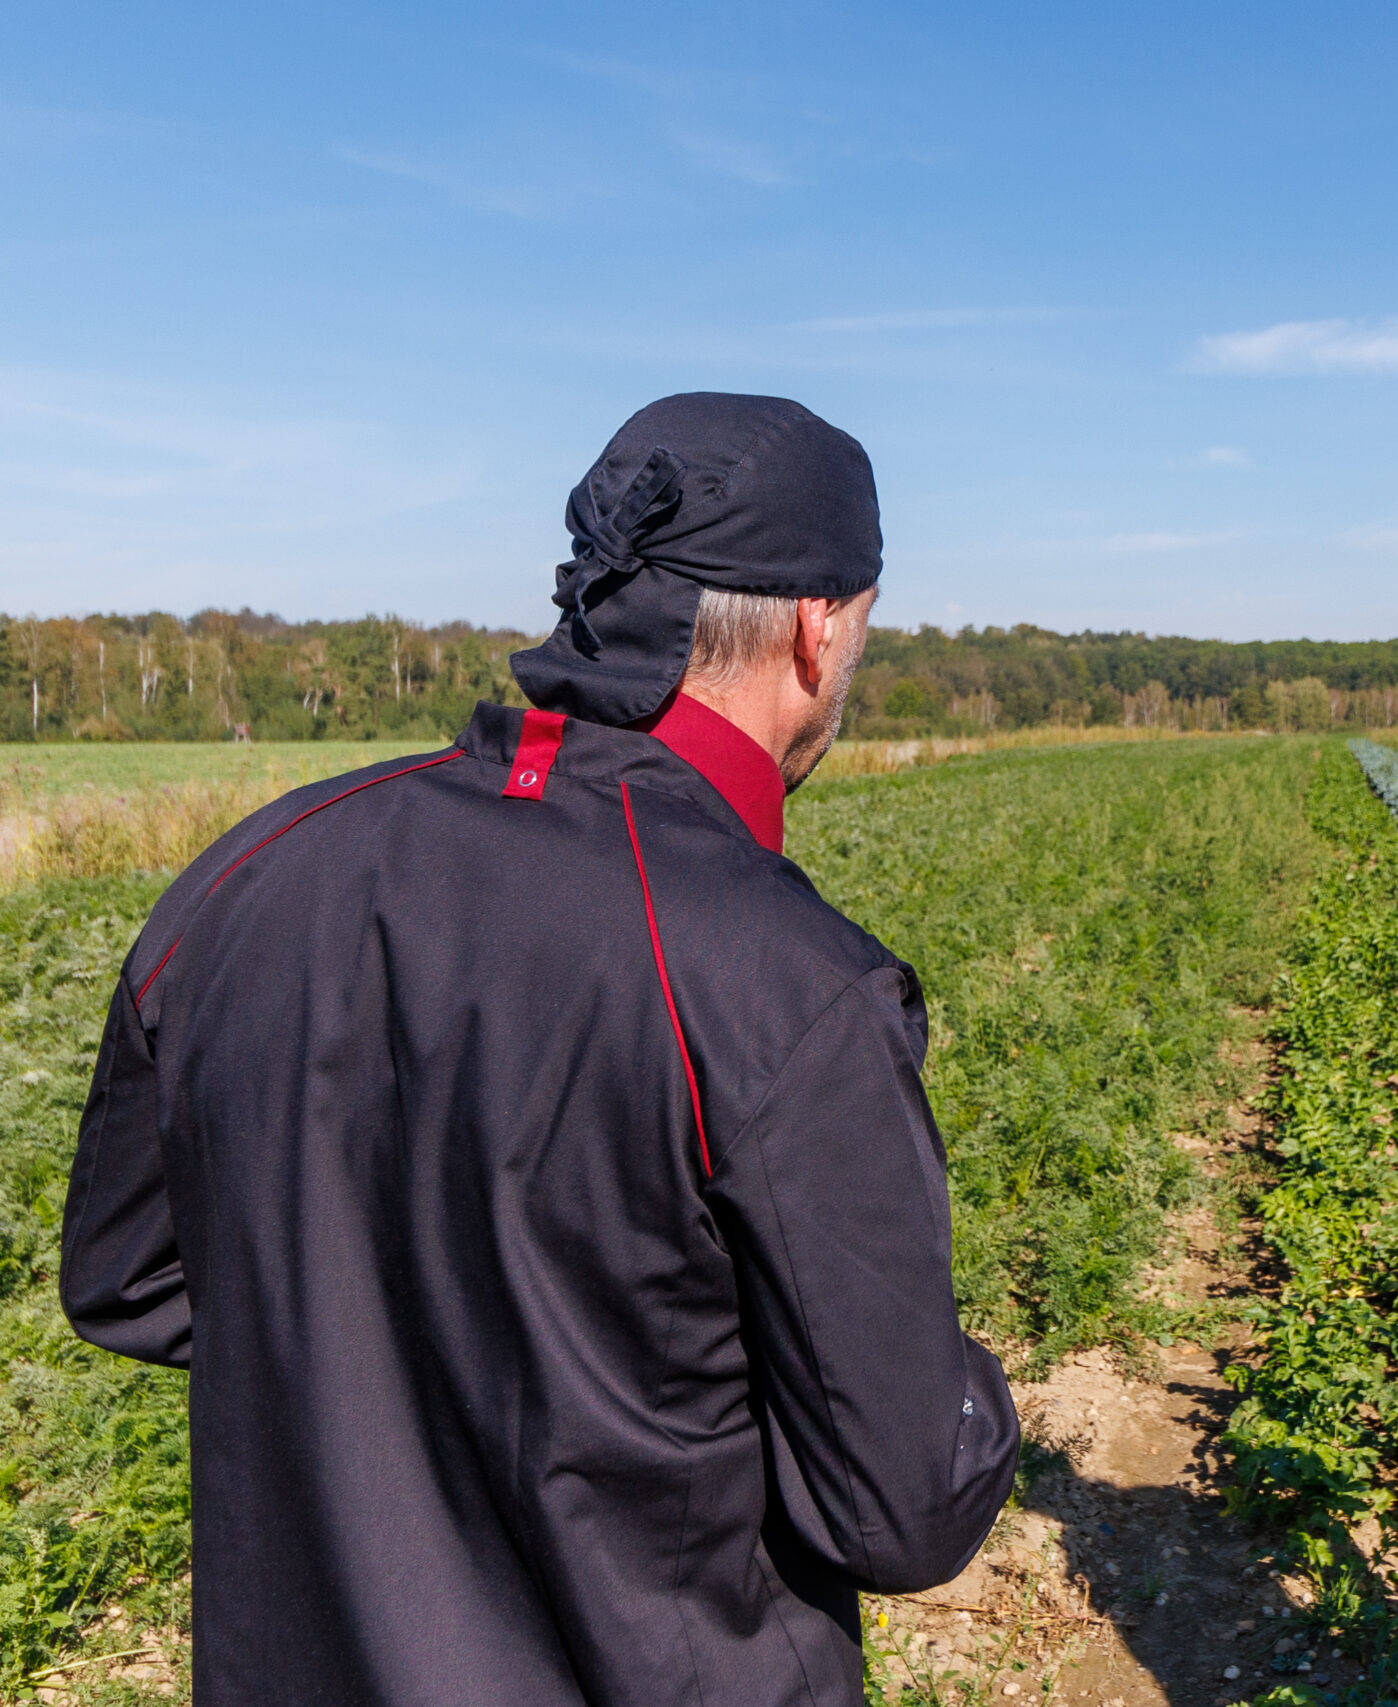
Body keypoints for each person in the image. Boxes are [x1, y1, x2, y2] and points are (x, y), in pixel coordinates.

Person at [60, 392, 1018, 1707]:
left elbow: (125, 1277)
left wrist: (377, 1367)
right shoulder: (784, 981)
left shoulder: (252, 871)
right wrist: (970, 1390)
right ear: (817, 624)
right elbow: (898, 1503)